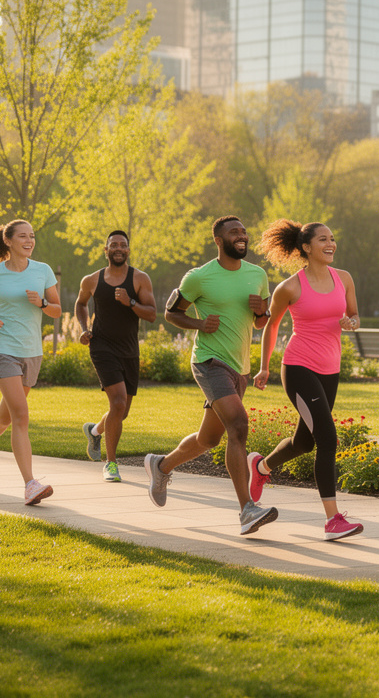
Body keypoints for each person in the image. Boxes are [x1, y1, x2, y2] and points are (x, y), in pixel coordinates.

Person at [144, 216, 276, 535]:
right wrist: (199, 324)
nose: (241, 236)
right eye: (234, 232)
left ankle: (161, 466)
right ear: (218, 240)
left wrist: (261, 312)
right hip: (209, 361)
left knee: (209, 439)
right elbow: (171, 312)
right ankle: (247, 509)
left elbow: (261, 322)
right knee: (239, 425)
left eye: (244, 232)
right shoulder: (199, 277)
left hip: (238, 367)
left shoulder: (258, 275)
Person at [250, 219, 364, 541]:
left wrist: (351, 322)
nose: (331, 244)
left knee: (305, 442)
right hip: (299, 368)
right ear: (306, 247)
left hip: (331, 369)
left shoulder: (344, 278)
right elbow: (271, 327)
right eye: (323, 240)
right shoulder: (290, 287)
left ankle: (260, 468)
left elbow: (354, 314)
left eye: (333, 238)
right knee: (328, 440)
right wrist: (264, 368)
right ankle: (333, 521)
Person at [0, 219, 62, 506]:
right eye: (23, 236)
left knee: (4, 420)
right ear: (9, 241)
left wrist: (41, 303)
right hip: (3, 350)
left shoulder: (43, 271)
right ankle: (30, 484)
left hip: (32, 352)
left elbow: (56, 311)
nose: (29, 241)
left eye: (32, 236)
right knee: (21, 416)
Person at [75, 230, 156, 482]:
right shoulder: (91, 280)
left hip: (129, 349)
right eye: (114, 245)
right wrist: (84, 329)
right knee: (118, 403)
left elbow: (152, 314)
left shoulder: (140, 279)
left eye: (123, 245)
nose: (118, 248)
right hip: (102, 347)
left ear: (128, 250)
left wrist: (130, 302)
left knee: (122, 411)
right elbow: (80, 304)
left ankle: (95, 430)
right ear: (106, 250)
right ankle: (110, 463)